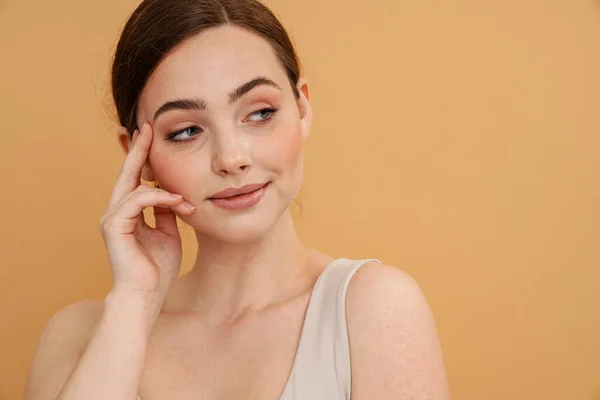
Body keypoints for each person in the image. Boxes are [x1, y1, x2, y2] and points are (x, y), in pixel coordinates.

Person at [24, 0, 450, 399]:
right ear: (138, 154)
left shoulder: (373, 308)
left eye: (259, 113)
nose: (231, 158)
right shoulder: (76, 336)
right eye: (186, 131)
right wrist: (134, 302)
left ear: (302, 108)